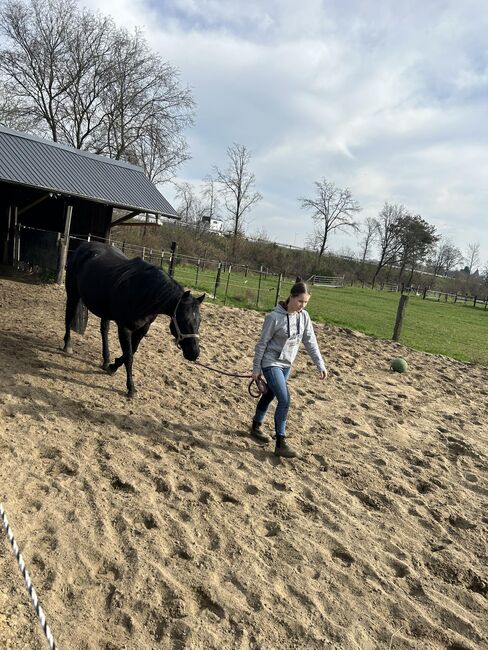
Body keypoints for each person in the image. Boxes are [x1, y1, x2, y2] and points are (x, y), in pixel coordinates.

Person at [251, 279, 328, 458]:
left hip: (287, 364)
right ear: (291, 297)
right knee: (285, 400)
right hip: (271, 363)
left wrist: (320, 364)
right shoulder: (274, 317)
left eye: (306, 302)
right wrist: (256, 369)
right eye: (300, 301)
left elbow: (310, 341)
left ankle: (255, 426)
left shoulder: (304, 317)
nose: (302, 305)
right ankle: (281, 442)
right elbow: (261, 344)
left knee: (270, 394)